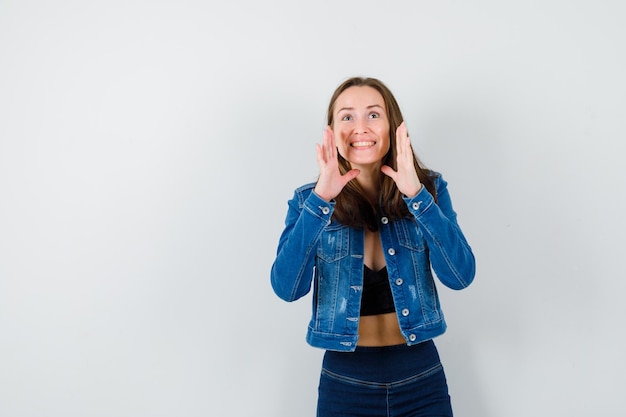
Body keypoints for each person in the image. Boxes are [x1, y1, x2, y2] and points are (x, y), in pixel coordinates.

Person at [270, 76, 475, 417]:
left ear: (393, 126)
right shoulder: (309, 201)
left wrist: (416, 197)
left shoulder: (428, 190)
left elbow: (460, 275)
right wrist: (322, 200)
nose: (360, 127)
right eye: (347, 117)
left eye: (373, 114)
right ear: (332, 131)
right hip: (345, 381)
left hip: (421, 377)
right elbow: (287, 288)